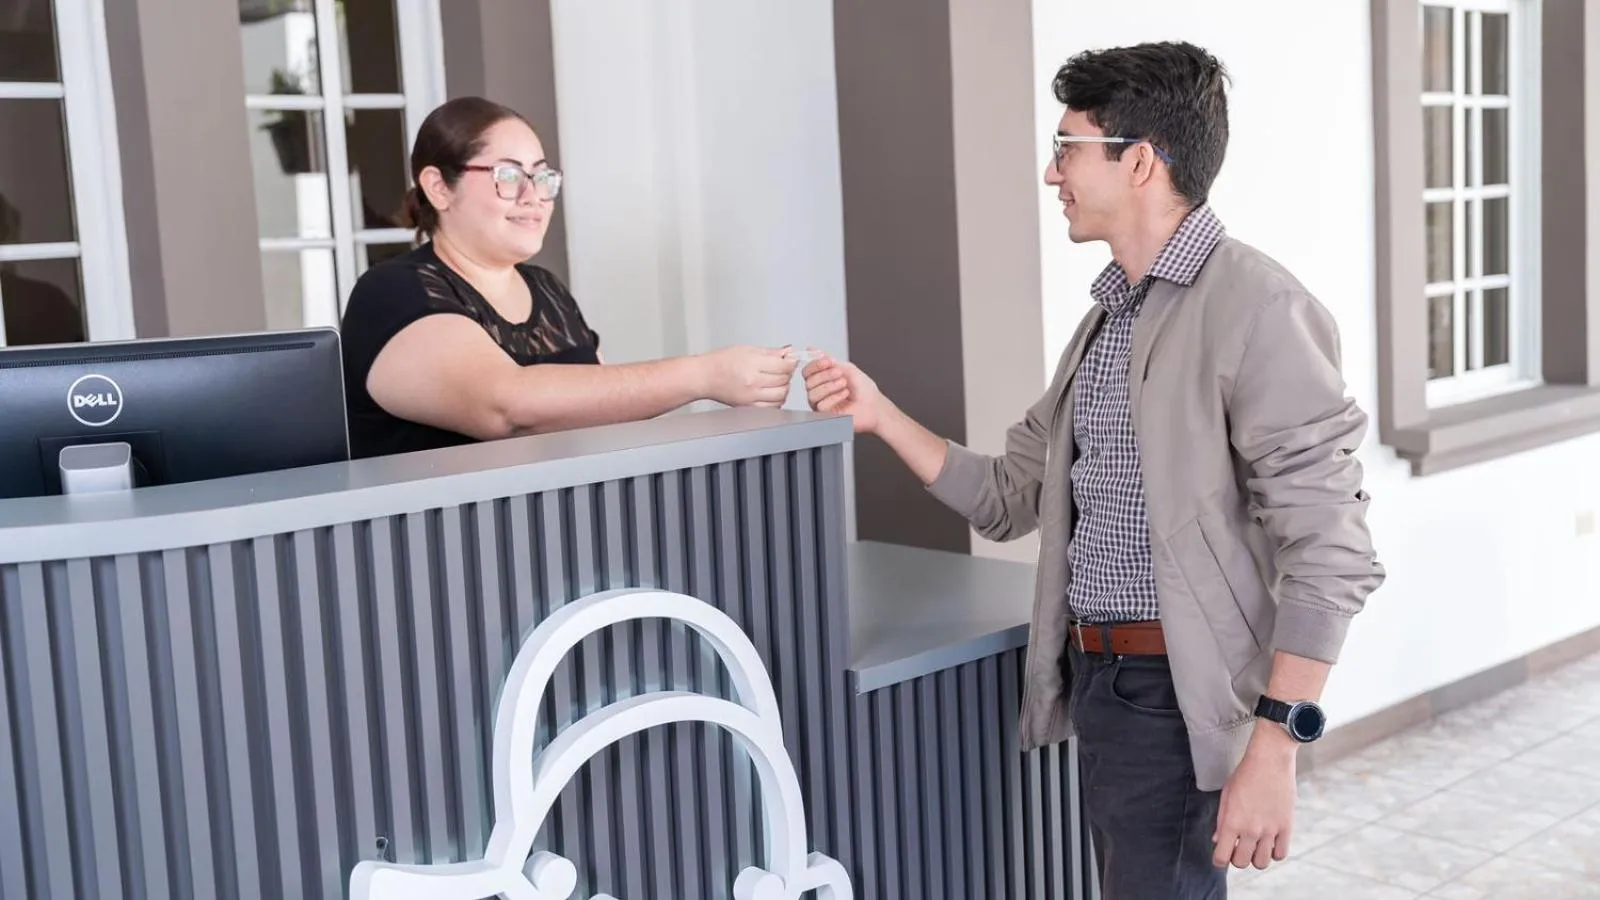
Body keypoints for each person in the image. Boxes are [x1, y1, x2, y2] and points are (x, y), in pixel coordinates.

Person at [805, 42, 1383, 898]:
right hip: (1106, 685)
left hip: (1176, 696)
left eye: (1068, 147)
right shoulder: (1111, 320)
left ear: (1140, 160)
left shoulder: (1260, 309)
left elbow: (1332, 549)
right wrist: (880, 415)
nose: (1051, 172)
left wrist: (1275, 743)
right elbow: (1009, 498)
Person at [339, 96, 797, 459]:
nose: (534, 198)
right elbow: (507, 408)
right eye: (508, 176)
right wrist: (704, 375)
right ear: (439, 187)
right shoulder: (393, 293)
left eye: (543, 178)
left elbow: (599, 418)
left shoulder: (547, 290)